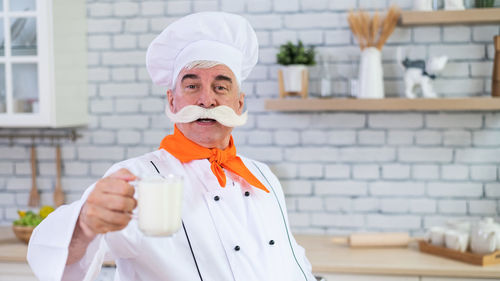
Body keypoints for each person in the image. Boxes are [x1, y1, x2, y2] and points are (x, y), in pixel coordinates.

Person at [27, 12, 316, 281]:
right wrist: (85, 224)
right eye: (192, 86)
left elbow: (290, 258)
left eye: (220, 87)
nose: (206, 100)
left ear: (239, 103)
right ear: (172, 101)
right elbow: (56, 255)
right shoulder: (136, 177)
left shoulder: (263, 175)